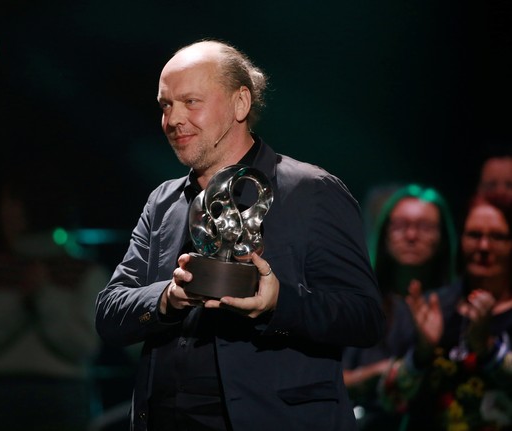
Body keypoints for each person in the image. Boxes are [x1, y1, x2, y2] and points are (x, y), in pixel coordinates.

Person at [95, 39, 385, 431]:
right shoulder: (163, 202)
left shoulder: (312, 191)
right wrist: (168, 297)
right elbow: (110, 313)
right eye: (165, 105)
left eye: (190, 102)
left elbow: (364, 317)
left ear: (240, 104)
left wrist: (278, 303)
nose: (173, 119)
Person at [0, 169, 110, 431]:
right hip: (1, 395)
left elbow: (83, 347)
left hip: (58, 396)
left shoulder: (86, 274)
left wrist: (41, 295)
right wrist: (24, 299)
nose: (3, 212)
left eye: (11, 202)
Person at [381, 192, 512, 430]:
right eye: (474, 235)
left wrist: (488, 349)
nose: (483, 246)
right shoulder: (432, 307)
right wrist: (422, 352)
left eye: (498, 237)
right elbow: (391, 398)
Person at [343, 184, 458, 430]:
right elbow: (331, 378)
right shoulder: (360, 299)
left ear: (443, 237)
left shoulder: (459, 303)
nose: (411, 236)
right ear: (384, 232)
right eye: (400, 225)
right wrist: (377, 373)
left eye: (425, 227)